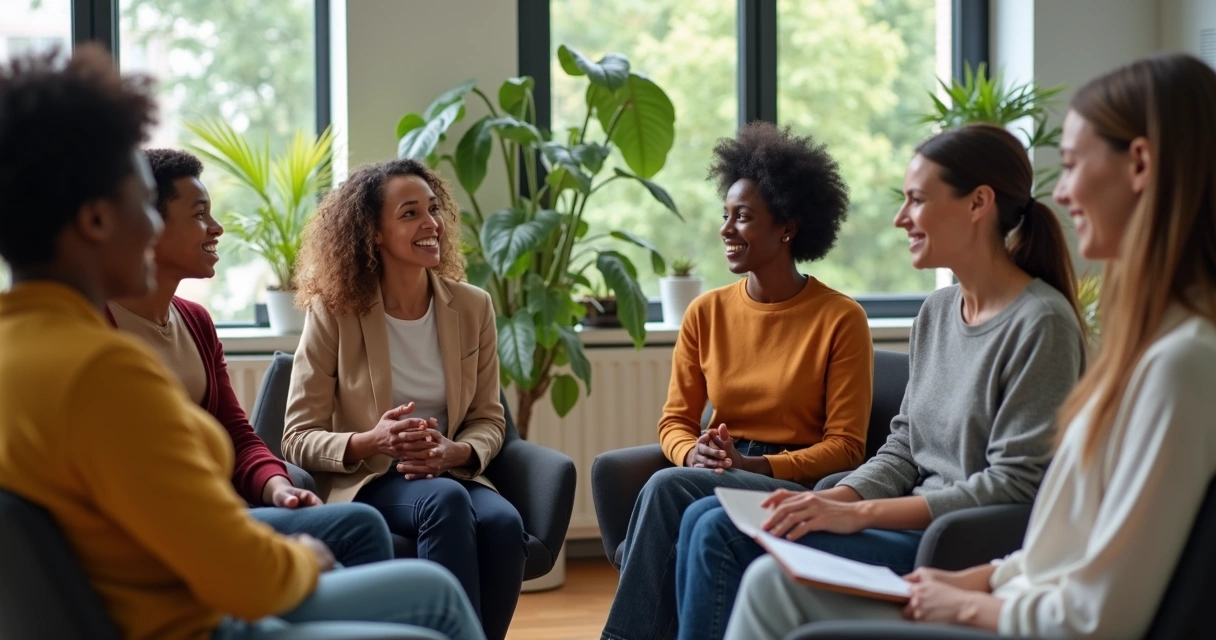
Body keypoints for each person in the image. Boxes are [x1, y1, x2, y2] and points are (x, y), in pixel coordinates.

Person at [726, 52, 1216, 640]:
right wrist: (977, 580)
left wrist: (961, 604)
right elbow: (1068, 545)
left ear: (1139, 163)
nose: (1061, 191)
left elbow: (1095, 615)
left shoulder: (1179, 364)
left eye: (1072, 164)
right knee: (767, 583)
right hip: (1004, 588)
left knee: (774, 593)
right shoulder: (1144, 352)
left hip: (1017, 617)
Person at [0, 46, 484, 640]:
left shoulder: (18, 345)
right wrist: (304, 555)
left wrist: (276, 496)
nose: (152, 227)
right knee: (429, 614)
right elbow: (243, 575)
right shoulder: (104, 371)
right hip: (193, 619)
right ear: (98, 221)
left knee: (431, 586)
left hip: (147, 592)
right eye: (141, 206)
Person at [671, 122, 1088, 640]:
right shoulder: (937, 312)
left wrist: (861, 514)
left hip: (952, 545)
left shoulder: (1040, 324)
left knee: (717, 532)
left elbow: (1014, 484)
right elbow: (902, 449)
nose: (900, 219)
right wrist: (834, 501)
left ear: (978, 203)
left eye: (916, 200)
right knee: (702, 516)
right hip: (903, 520)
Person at [601, 122, 875, 640]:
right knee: (678, 488)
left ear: (788, 228)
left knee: (664, 487)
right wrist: (692, 455)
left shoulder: (841, 318)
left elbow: (847, 447)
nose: (726, 229)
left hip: (790, 478)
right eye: (725, 215)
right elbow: (675, 422)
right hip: (720, 469)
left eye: (743, 217)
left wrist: (754, 464)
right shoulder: (706, 312)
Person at [105, 148, 393, 568]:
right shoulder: (96, 327)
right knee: (363, 533)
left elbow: (238, 436)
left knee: (361, 524)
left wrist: (279, 487)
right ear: (149, 227)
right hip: (170, 531)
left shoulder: (196, 321)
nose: (216, 228)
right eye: (199, 214)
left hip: (223, 513)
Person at [284, 158, 526, 640]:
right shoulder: (334, 311)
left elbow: (488, 418)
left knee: (503, 522)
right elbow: (296, 437)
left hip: (450, 469)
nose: (431, 224)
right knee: (446, 503)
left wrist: (455, 451)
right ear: (373, 232)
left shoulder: (472, 305)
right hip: (373, 477)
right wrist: (371, 440)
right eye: (410, 213)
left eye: (433, 209)